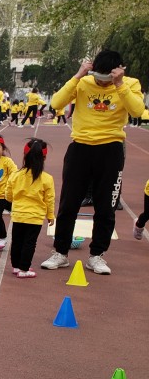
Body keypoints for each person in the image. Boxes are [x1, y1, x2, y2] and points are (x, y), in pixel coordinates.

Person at [41, 51, 143, 275]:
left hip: (111, 150)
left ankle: (97, 255)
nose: (101, 83)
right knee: (69, 203)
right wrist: (78, 75)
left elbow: (137, 111)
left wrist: (119, 84)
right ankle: (60, 252)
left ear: (118, 71)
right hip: (80, 148)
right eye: (98, 77)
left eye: (106, 79)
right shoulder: (83, 82)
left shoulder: (130, 84)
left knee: (106, 206)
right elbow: (56, 103)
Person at [6, 139, 55, 278]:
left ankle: (16, 266)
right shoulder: (47, 178)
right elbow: (49, 199)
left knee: (17, 241)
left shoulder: (15, 175)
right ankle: (24, 269)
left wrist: (15, 201)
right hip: (35, 217)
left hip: (18, 214)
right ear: (44, 158)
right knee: (29, 243)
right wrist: (50, 215)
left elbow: (8, 195)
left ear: (25, 155)